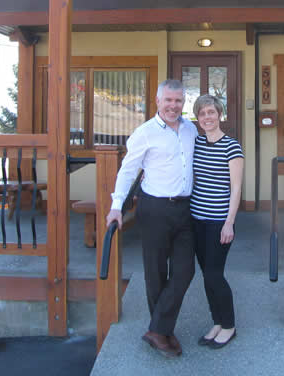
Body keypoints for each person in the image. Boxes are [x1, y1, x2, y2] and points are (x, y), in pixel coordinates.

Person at [106, 79, 198, 358]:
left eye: (178, 101)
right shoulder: (144, 133)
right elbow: (128, 170)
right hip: (154, 208)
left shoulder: (191, 129)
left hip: (185, 209)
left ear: (184, 103)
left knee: (185, 270)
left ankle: (157, 329)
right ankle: (164, 332)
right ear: (157, 101)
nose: (173, 105)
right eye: (168, 100)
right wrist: (116, 206)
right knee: (156, 272)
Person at [190, 95, 244, 349]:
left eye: (211, 112)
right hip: (195, 220)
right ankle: (217, 322)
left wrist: (229, 222)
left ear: (219, 114)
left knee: (214, 274)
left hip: (218, 222)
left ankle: (230, 326)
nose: (207, 117)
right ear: (197, 119)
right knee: (206, 275)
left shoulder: (231, 147)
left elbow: (236, 188)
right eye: (202, 114)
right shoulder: (196, 143)